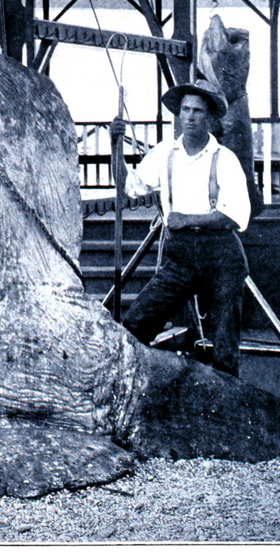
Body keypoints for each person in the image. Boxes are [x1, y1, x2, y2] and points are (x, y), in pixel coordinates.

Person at [113, 79, 251, 377]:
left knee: (225, 351)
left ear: (211, 118)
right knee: (135, 325)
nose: (189, 116)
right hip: (181, 257)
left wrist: (185, 219)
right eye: (185, 110)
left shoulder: (224, 159)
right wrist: (116, 148)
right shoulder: (165, 153)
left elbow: (235, 215)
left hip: (221, 256)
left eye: (197, 111)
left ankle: (225, 407)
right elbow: (128, 188)